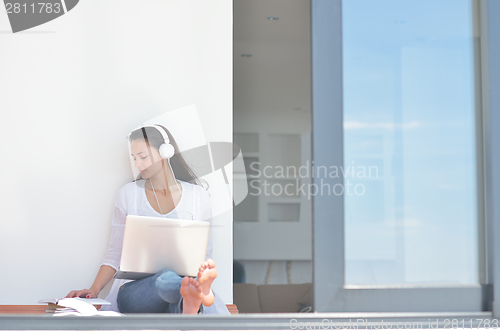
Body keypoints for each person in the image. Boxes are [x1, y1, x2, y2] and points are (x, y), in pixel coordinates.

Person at [66, 125, 229, 314]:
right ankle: (197, 293)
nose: (138, 164)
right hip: (135, 293)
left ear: (165, 152)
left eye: (143, 157)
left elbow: (203, 256)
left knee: (177, 297)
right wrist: (94, 290)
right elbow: (114, 255)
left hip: (179, 289)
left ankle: (189, 304)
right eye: (134, 158)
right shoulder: (129, 194)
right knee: (164, 279)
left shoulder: (198, 196)